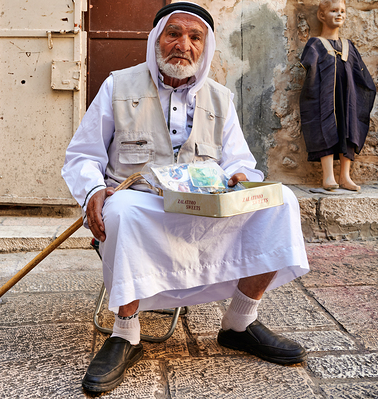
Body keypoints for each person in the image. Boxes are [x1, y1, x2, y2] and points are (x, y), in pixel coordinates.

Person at [62, 2, 310, 394]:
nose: (183, 45)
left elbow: (239, 161)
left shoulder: (220, 98)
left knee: (282, 202)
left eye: (195, 38)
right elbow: (83, 155)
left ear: (206, 47)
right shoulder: (118, 85)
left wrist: (242, 177)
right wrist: (93, 190)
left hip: (206, 208)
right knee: (123, 209)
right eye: (173, 34)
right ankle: (125, 333)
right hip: (143, 204)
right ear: (156, 40)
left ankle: (240, 323)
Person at [299, 0, 376, 191]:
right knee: (325, 126)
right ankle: (328, 176)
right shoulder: (316, 44)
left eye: (342, 11)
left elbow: (360, 74)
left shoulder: (348, 45)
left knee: (350, 128)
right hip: (324, 98)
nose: (339, 14)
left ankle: (345, 176)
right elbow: (310, 72)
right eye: (334, 11)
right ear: (322, 16)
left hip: (348, 98)